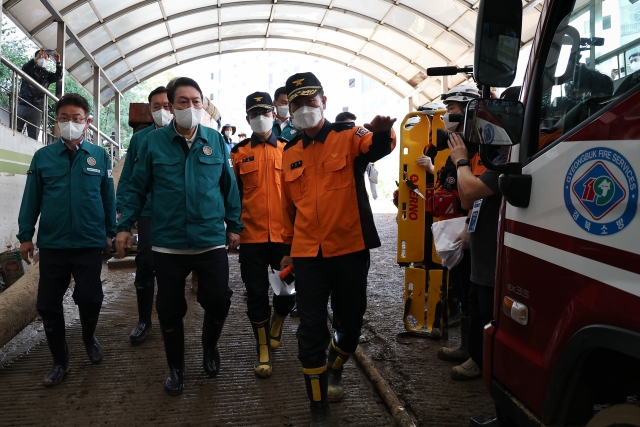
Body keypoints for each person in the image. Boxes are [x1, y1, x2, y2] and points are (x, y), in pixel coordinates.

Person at [279, 72, 396, 426]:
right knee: (310, 328)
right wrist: (287, 249)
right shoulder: (289, 152)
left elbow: (377, 147)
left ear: (324, 102)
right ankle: (319, 410)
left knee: (350, 321)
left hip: (348, 248)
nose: (303, 108)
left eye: (309, 101)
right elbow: (288, 207)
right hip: (307, 254)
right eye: (295, 103)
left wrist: (379, 131)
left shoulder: (348, 136)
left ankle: (336, 364)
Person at [114, 77, 243, 396]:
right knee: (169, 309)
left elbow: (229, 188)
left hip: (210, 239)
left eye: (196, 101)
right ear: (171, 107)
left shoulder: (214, 139)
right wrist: (122, 226)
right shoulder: (152, 144)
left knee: (218, 300)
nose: (190, 107)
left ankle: (209, 348)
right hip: (167, 242)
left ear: (203, 105)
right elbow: (136, 187)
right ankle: (176, 368)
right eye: (183, 102)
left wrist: (235, 226)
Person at [17, 93, 115, 386]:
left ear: (88, 122)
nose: (70, 123)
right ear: (55, 122)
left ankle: (88, 338)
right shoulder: (43, 157)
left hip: (88, 242)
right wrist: (25, 236)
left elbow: (107, 199)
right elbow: (31, 199)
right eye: (63, 118)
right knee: (47, 304)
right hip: (54, 244)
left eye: (76, 118)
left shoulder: (99, 155)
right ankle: (60, 361)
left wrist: (110, 233)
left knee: (91, 298)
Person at [230, 91, 295, 379]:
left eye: (265, 112)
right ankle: (262, 347)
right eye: (254, 113)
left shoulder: (290, 149)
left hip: (286, 238)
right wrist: (232, 227)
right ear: (247, 118)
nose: (260, 117)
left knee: (286, 291)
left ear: (274, 113)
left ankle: (279, 321)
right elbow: (232, 196)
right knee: (256, 294)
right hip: (252, 238)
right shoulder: (238, 153)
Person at [115, 86, 171, 342]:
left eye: (167, 105)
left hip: (176, 212)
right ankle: (144, 321)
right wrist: (122, 213)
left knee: (173, 268)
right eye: (157, 106)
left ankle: (171, 317)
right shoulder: (140, 139)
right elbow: (128, 178)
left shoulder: (185, 136)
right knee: (146, 264)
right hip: (148, 211)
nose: (162, 111)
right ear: (150, 110)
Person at [17, 48, 63, 140]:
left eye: (46, 57)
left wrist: (58, 62)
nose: (44, 58)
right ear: (36, 57)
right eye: (42, 56)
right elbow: (25, 68)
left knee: (33, 136)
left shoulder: (47, 75)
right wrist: (37, 58)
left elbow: (58, 76)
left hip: (37, 107)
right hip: (23, 103)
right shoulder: (29, 69)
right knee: (14, 129)